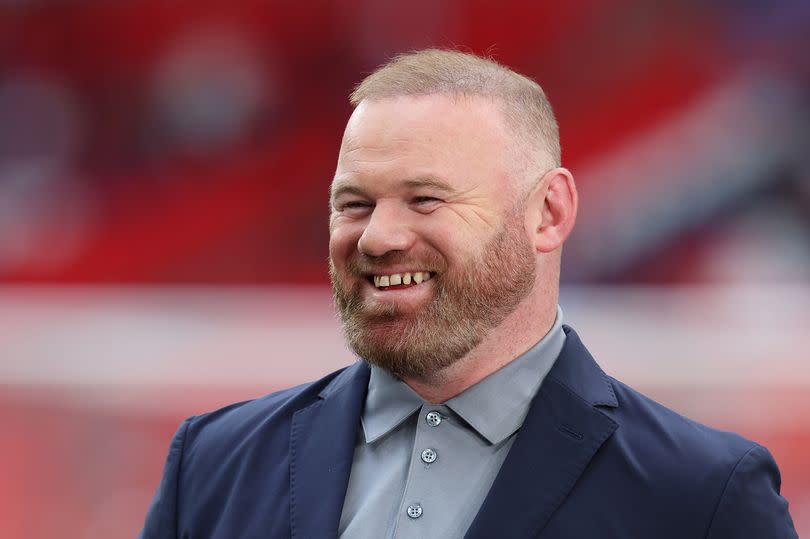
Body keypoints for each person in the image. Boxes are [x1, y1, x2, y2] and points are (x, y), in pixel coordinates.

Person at [139, 49, 797, 538]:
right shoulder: (213, 463)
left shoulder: (703, 497)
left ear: (548, 211)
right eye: (354, 203)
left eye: (425, 199)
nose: (377, 237)